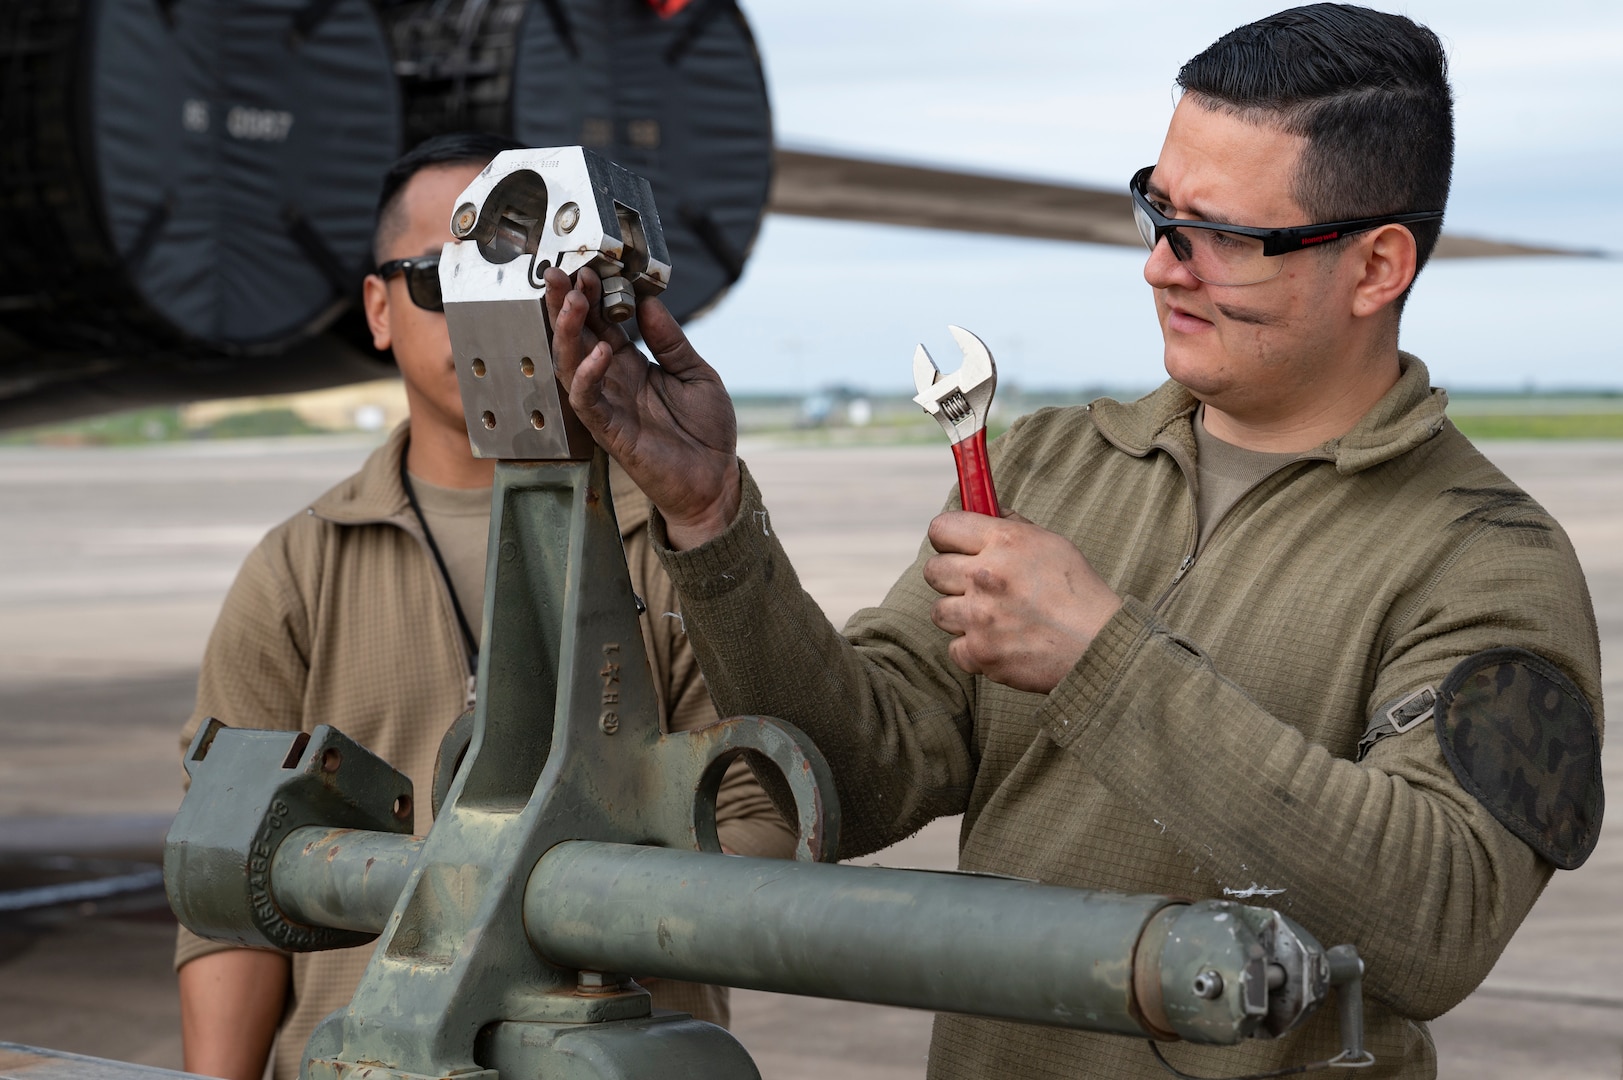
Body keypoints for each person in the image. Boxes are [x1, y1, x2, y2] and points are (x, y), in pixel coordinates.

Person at [538, 6, 1605, 1079]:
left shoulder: (1489, 560)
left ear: (1378, 267)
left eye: (1224, 235)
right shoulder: (1049, 468)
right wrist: (714, 520)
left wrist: (1103, 658)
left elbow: (1435, 924)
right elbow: (849, 783)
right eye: (1160, 208)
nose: (1162, 267)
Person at [173, 132, 796, 1080]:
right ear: (378, 308)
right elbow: (229, 883)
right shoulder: (299, 571)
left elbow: (757, 816)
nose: (482, 302)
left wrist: (588, 903)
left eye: (515, 267)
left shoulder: (672, 548)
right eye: (441, 275)